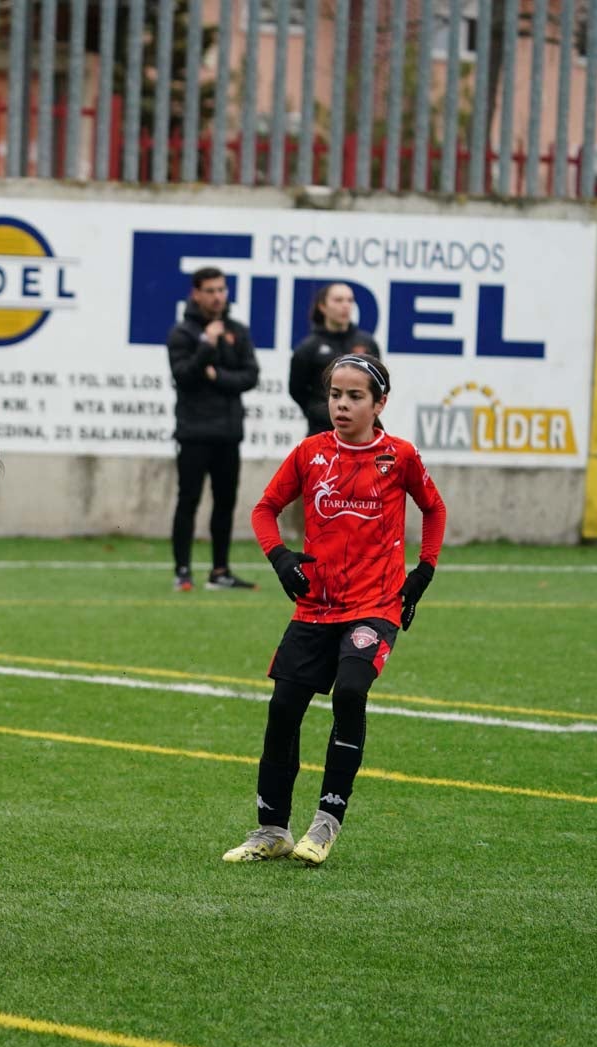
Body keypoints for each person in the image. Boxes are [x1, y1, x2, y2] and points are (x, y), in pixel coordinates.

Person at [224, 352, 446, 867]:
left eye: (355, 397)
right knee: (282, 711)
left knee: (350, 692)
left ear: (380, 403)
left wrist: (424, 570)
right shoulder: (309, 453)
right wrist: (280, 558)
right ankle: (272, 829)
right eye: (335, 395)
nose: (341, 405)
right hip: (316, 607)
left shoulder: (401, 456)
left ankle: (325, 824)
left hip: (376, 604)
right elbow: (264, 509)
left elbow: (433, 508)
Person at [165, 267, 260, 592]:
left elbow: (249, 376)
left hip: (228, 433)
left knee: (225, 503)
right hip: (193, 433)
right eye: (210, 290)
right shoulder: (183, 333)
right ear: (196, 294)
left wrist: (216, 375)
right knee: (188, 500)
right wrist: (206, 344)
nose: (217, 296)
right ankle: (182, 571)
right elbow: (185, 376)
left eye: (222, 289)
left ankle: (220, 571)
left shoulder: (239, 330)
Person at [289, 283, 381, 438]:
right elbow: (297, 389)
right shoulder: (308, 348)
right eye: (338, 300)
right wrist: (318, 411)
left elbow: (378, 384)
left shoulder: (367, 344)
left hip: (361, 432)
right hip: (321, 430)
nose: (345, 306)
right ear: (323, 306)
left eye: (350, 300)